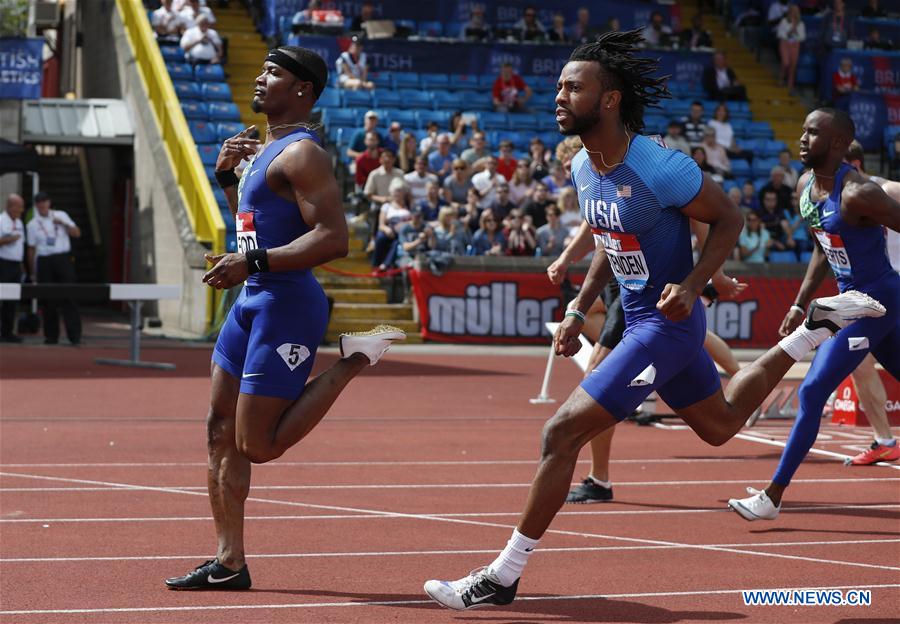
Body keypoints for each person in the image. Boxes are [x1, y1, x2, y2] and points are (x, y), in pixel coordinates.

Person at [423, 33, 885, 610]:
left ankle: (503, 574)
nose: (559, 95)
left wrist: (693, 285)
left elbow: (729, 218)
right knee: (720, 425)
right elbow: (608, 238)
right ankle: (812, 329)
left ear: (609, 99)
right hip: (647, 319)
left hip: (664, 325)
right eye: (559, 86)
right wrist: (577, 308)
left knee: (559, 433)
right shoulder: (583, 166)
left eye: (573, 87)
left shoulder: (659, 165)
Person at [165, 47, 405, 591]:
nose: (259, 77)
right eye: (262, 69)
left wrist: (249, 263)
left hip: (286, 306)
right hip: (251, 300)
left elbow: (334, 239)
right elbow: (257, 227)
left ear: (302, 90)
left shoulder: (303, 154)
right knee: (218, 430)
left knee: (258, 445)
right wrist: (226, 179)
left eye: (273, 73)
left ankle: (353, 360)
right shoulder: (264, 150)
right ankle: (229, 562)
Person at [728, 108, 900, 521]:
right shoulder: (805, 186)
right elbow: (824, 248)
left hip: (876, 303)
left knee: (812, 390)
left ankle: (772, 496)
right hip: (850, 301)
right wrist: (798, 302)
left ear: (839, 143)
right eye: (803, 130)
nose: (803, 139)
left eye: (814, 132)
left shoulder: (858, 193)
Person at [26, 192, 82, 346]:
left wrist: (64, 224)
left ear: (49, 202)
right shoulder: (32, 224)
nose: (42, 205)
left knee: (69, 296)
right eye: (39, 202)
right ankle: (51, 336)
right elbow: (31, 249)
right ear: (36, 205)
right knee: (48, 299)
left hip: (62, 258)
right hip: (44, 261)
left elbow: (77, 233)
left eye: (44, 201)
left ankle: (75, 336)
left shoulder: (61, 215)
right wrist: (33, 272)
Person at [0, 194, 25, 342]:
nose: (21, 210)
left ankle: (7, 332)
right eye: (18, 207)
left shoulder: (19, 222)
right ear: (10, 206)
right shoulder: (1, 220)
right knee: (1, 297)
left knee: (12, 300)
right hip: (3, 264)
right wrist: (9, 239)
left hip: (16, 265)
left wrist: (22, 266)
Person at [776, 5, 805, 91]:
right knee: (785, 62)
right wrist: (789, 32)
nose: (794, 13)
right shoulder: (784, 21)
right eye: (792, 10)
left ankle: (790, 83)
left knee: (793, 65)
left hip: (795, 44)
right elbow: (779, 34)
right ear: (789, 11)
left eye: (796, 11)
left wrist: (796, 32)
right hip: (785, 43)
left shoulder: (800, 23)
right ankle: (781, 78)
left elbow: (803, 37)